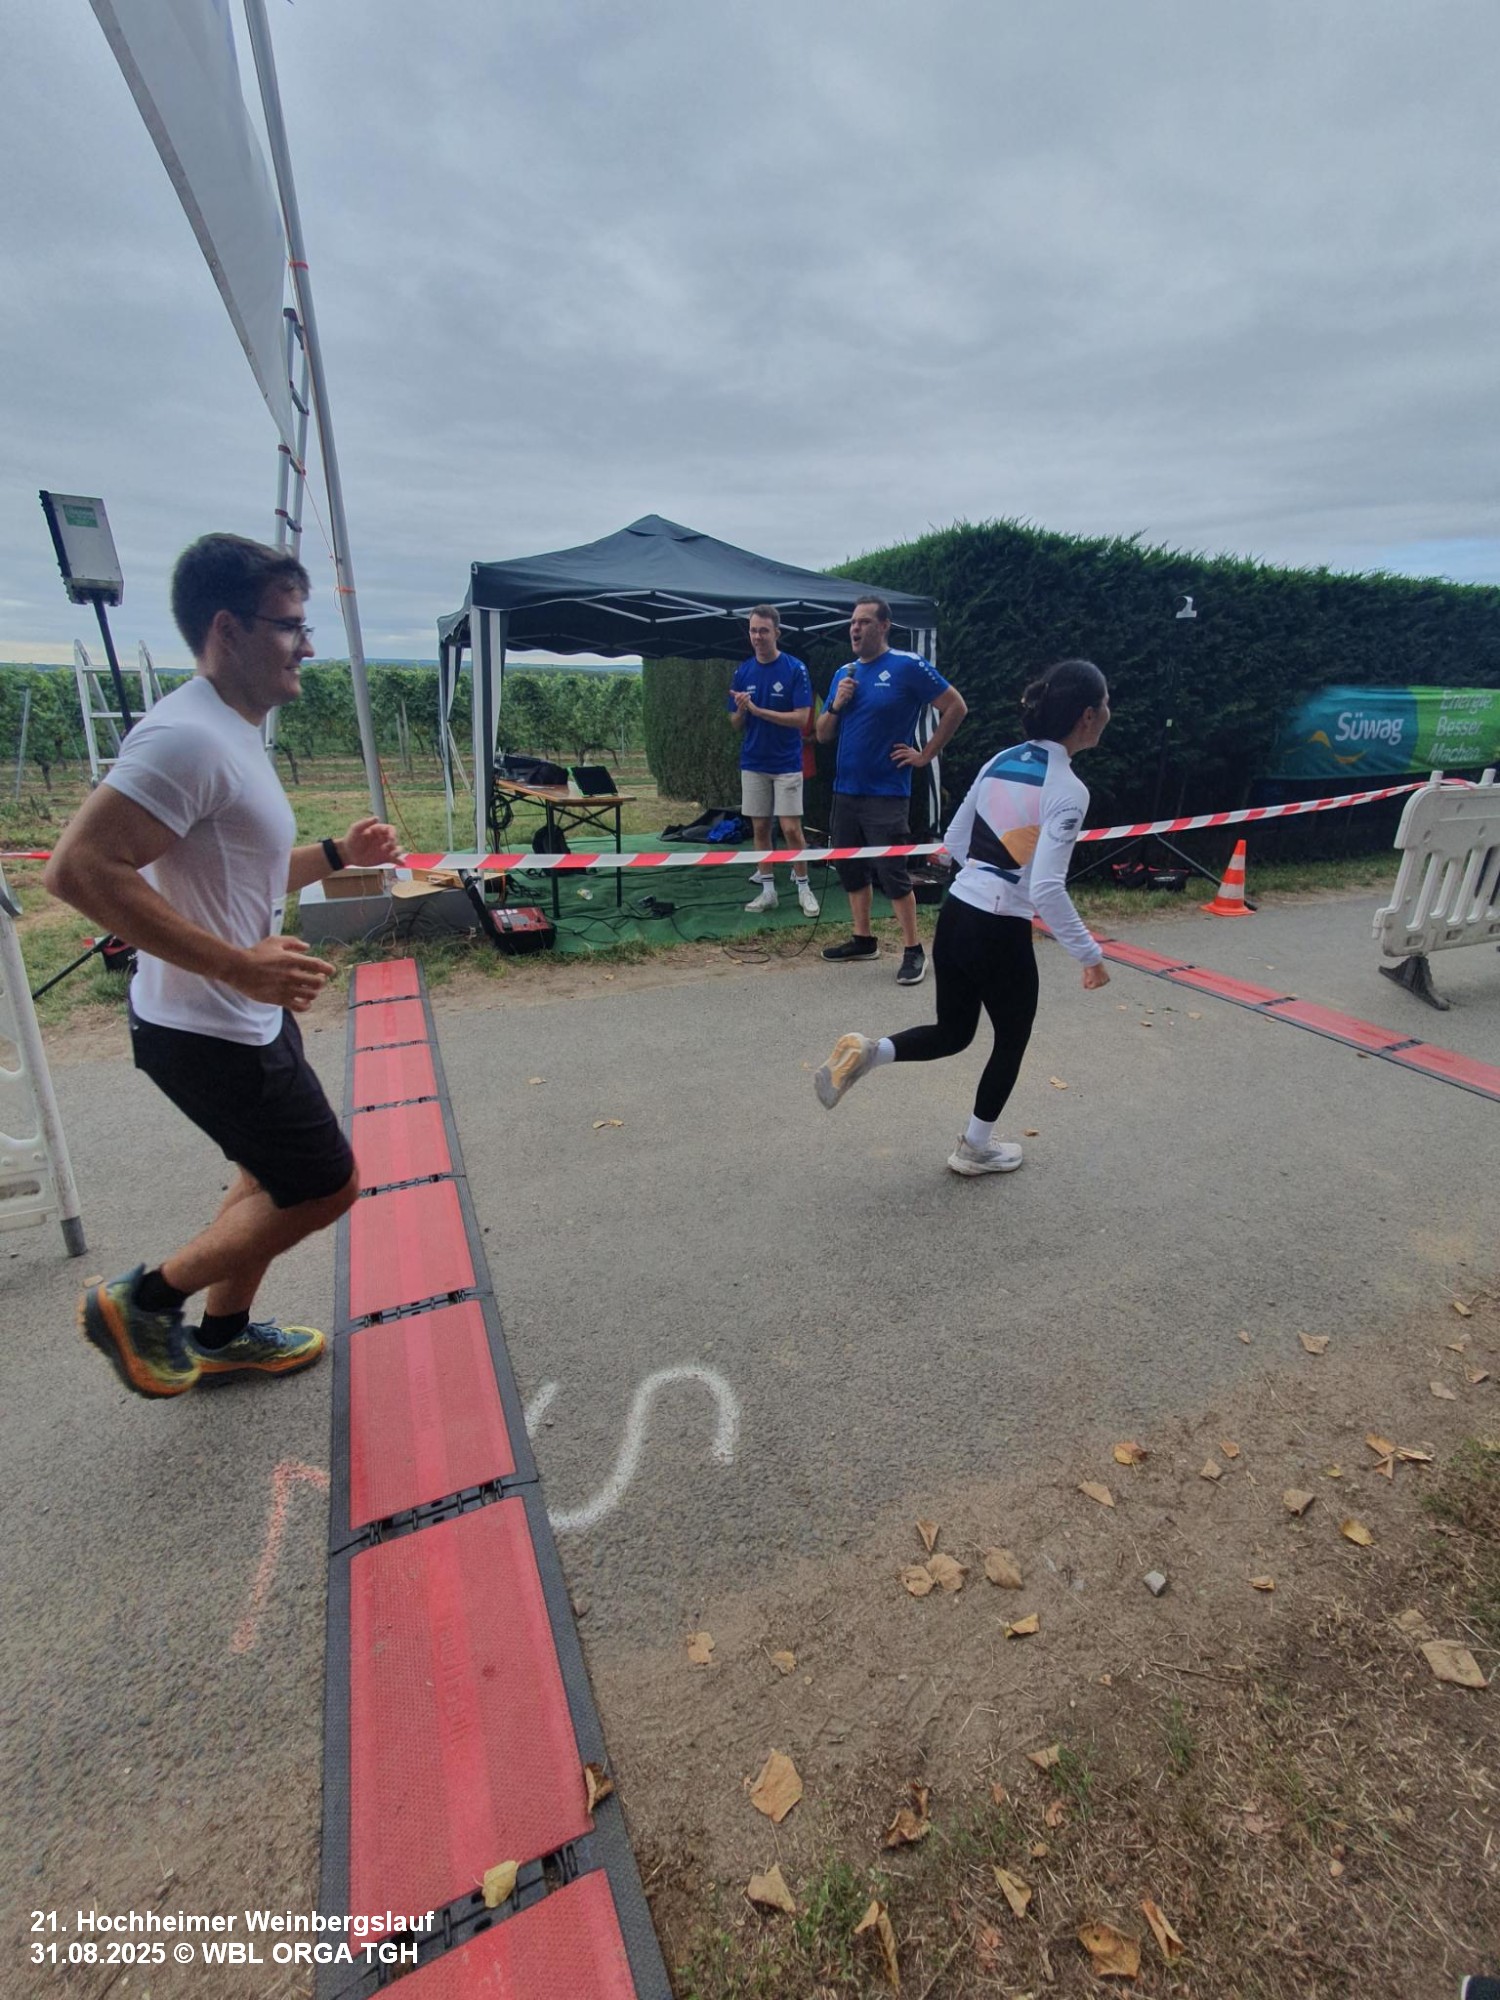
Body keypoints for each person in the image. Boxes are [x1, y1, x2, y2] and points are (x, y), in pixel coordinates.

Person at [45, 532, 400, 1398]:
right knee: (325, 1186)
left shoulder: (231, 732)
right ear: (227, 630)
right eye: (289, 626)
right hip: (209, 1025)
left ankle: (226, 1336)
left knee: (264, 1175)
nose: (306, 646)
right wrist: (238, 967)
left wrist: (335, 853)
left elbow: (242, 869)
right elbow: (79, 869)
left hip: (235, 1017)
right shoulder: (187, 739)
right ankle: (141, 1303)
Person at [813, 658, 1112, 1174]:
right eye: (1105, 705)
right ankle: (975, 1147)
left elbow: (953, 842)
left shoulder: (1001, 760)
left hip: (957, 914)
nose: (1109, 713)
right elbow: (1045, 887)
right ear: (1087, 715)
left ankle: (872, 1051)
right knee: (1010, 1040)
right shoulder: (1068, 789)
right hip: (1000, 928)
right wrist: (1090, 956)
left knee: (954, 1032)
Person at [815, 595, 967, 985]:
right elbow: (822, 733)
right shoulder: (844, 673)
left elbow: (956, 707)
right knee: (850, 867)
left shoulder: (907, 665)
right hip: (846, 790)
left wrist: (925, 755)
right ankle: (863, 940)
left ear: (884, 626)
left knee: (892, 871)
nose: (855, 628)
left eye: (864, 621)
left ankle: (914, 950)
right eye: (853, 622)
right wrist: (836, 704)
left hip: (886, 791)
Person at [727, 605, 819, 917]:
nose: (758, 636)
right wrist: (742, 710)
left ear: (777, 633)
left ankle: (804, 888)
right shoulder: (742, 671)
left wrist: (759, 711)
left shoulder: (795, 669)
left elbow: (802, 719)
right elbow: (734, 723)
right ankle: (768, 891)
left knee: (791, 828)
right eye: (753, 630)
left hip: (787, 763)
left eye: (763, 631)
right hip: (753, 762)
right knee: (761, 827)